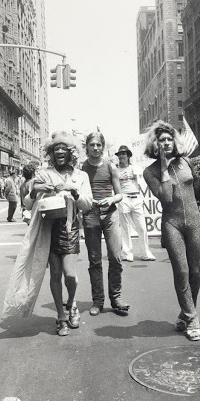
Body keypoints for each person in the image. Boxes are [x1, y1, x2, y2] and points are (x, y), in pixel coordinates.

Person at [3, 131, 93, 336]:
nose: (60, 152)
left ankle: (71, 304)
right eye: (56, 150)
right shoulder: (44, 173)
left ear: (71, 153)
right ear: (51, 154)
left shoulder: (81, 176)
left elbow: (87, 204)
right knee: (54, 274)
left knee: (70, 275)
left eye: (64, 149)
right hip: (48, 230)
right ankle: (61, 316)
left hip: (69, 228)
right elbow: (27, 203)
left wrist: (74, 191)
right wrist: (35, 190)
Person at [143, 120, 200, 341]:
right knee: (182, 271)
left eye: (169, 139)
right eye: (161, 140)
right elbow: (166, 198)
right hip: (172, 224)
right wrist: (164, 168)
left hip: (195, 222)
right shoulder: (149, 172)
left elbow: (197, 188)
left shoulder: (185, 161)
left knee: (195, 272)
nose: (166, 143)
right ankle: (193, 317)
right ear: (154, 144)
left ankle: (185, 313)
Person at [82, 132, 130, 316]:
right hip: (91, 216)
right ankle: (98, 301)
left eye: (98, 145)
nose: (95, 148)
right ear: (87, 147)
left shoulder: (110, 166)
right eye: (92, 145)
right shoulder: (82, 168)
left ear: (103, 147)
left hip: (110, 216)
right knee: (94, 261)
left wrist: (111, 200)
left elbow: (120, 194)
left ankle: (116, 298)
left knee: (116, 258)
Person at [115, 145, 155, 262]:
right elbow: (114, 185)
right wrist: (119, 178)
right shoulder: (115, 170)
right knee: (125, 228)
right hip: (124, 198)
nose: (122, 156)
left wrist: (135, 175)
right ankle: (127, 253)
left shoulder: (136, 168)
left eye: (124, 154)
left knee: (142, 227)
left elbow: (142, 182)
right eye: (120, 154)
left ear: (128, 156)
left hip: (136, 197)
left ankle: (145, 252)